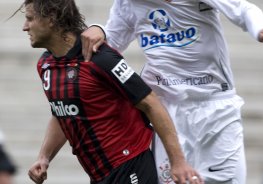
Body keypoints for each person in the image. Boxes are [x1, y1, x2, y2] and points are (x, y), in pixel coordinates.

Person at [81, 0, 263, 183]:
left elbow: (243, 9)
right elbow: (114, 40)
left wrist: (261, 29)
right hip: (166, 113)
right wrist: (101, 31)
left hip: (217, 109)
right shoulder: (130, 2)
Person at [20, 0, 203, 183]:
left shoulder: (100, 58)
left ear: (51, 19)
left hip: (130, 167)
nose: (24, 27)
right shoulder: (46, 66)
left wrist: (178, 162)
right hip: (99, 175)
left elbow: (151, 103)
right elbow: (63, 111)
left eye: (29, 19)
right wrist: (44, 157)